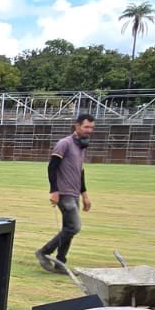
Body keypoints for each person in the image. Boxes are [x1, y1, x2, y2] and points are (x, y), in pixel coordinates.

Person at [36, 113, 94, 273]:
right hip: (63, 193)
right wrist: (54, 191)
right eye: (86, 127)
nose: (89, 130)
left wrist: (85, 195)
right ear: (77, 126)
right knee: (74, 227)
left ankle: (60, 263)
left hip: (74, 193)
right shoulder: (65, 144)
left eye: (91, 128)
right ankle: (44, 252)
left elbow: (80, 172)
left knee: (68, 229)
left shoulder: (81, 146)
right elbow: (52, 167)